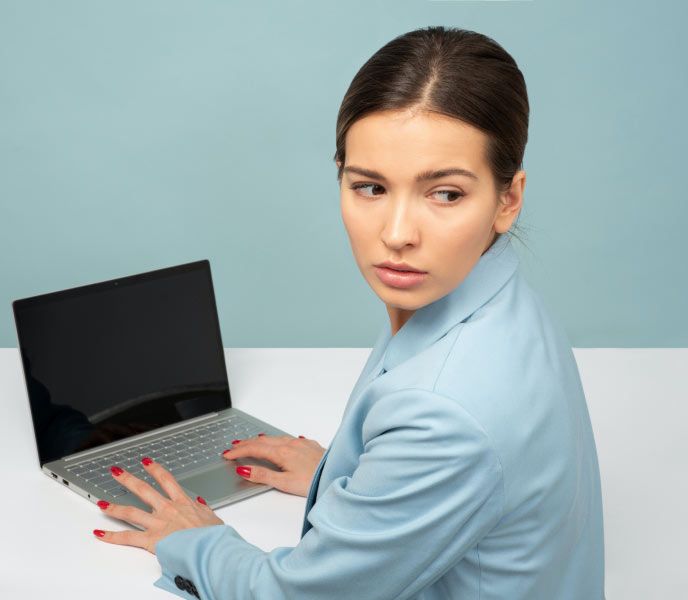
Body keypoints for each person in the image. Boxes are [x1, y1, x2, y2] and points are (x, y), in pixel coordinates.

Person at [90, 25, 605, 599]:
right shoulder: (502, 300)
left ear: (507, 199)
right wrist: (345, 479)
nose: (397, 234)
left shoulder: (442, 415)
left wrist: (197, 538)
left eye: (446, 193)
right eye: (370, 187)